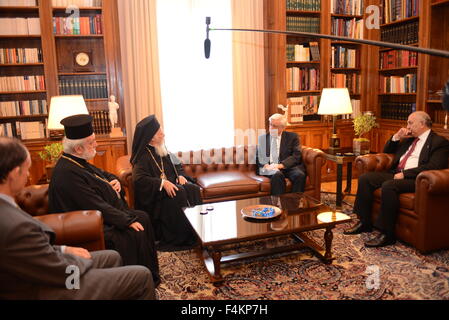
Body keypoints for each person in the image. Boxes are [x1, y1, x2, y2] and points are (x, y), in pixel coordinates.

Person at [0, 137, 155, 299]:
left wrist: (64, 249)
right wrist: (83, 263)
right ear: (14, 173)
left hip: (44, 272)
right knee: (141, 276)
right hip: (50, 287)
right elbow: (59, 271)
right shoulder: (13, 225)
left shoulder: (7, 208)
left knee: (113, 256)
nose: (28, 176)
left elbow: (29, 251)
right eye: (26, 169)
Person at [48, 114, 160, 286]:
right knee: (133, 230)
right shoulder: (67, 172)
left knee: (143, 216)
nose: (96, 144)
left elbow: (102, 174)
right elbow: (93, 204)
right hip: (86, 225)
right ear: (78, 149)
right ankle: (134, 282)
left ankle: (150, 274)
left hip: (100, 216)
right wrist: (126, 221)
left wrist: (115, 180)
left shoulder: (77, 161)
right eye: (92, 142)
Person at [344, 111, 449, 247]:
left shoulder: (439, 142)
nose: (407, 126)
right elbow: (388, 150)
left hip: (416, 179)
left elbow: (434, 166)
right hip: (396, 173)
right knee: (365, 178)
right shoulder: (410, 138)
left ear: (422, 124)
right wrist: (396, 137)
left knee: (389, 185)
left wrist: (405, 174)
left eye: (410, 123)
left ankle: (387, 234)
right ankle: (364, 222)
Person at [131, 115, 202, 251]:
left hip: (173, 188)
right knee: (178, 192)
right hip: (157, 198)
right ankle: (179, 239)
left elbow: (178, 167)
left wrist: (180, 176)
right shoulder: (142, 157)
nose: (164, 134)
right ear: (151, 137)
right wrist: (162, 183)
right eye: (160, 132)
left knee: (193, 188)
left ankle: (196, 233)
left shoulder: (162, 150)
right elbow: (139, 179)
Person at [256, 113, 306, 195]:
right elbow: (259, 156)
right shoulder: (263, 138)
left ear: (283, 128)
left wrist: (280, 166)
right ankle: (278, 205)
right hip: (269, 167)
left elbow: (296, 155)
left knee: (300, 175)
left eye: (274, 126)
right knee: (277, 174)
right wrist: (266, 166)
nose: (271, 128)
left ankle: (293, 205)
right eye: (270, 124)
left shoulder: (293, 137)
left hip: (287, 167)